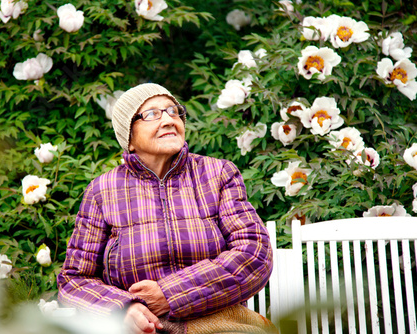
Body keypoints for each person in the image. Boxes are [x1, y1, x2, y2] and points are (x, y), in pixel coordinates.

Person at [57, 83, 274, 334]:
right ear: (129, 138)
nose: (169, 120)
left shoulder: (218, 174)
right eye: (151, 114)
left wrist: (170, 294)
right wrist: (123, 307)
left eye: (173, 111)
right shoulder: (102, 191)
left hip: (219, 321)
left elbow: (254, 253)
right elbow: (74, 280)